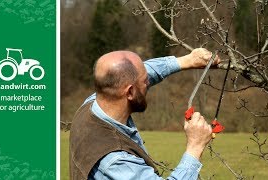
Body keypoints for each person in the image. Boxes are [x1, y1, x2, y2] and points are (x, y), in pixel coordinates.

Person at [69, 48, 221, 180]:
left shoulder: (92, 104)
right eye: (145, 81)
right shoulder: (116, 160)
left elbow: (140, 72)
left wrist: (187, 61)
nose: (149, 83)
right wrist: (195, 146)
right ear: (130, 92)